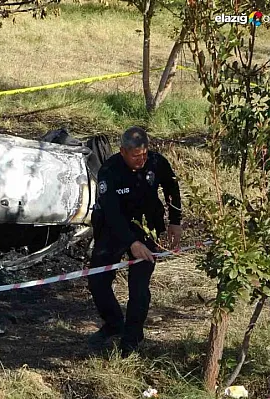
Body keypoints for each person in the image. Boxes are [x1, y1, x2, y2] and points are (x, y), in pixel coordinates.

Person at [87, 126, 182, 357]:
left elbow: (172, 188)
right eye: (135, 156)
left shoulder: (157, 163)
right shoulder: (109, 171)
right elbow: (111, 212)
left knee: (138, 288)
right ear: (122, 151)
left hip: (146, 228)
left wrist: (175, 221)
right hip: (114, 229)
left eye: (144, 154)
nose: (142, 160)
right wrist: (131, 243)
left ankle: (132, 338)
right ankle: (113, 323)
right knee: (97, 280)